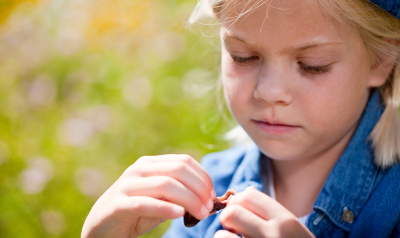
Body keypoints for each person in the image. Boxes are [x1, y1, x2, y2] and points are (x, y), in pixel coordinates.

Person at [81, 0, 400, 237]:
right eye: (243, 56)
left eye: (312, 64)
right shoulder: (207, 196)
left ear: (381, 61)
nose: (269, 91)